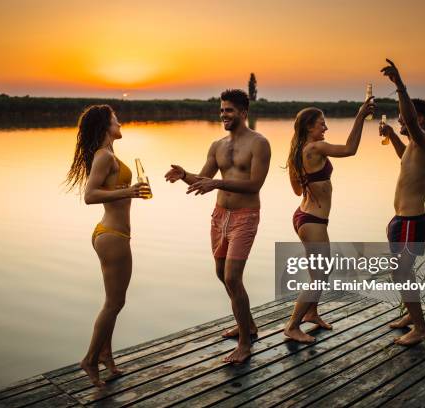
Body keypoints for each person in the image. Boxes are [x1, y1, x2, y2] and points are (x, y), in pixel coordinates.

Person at [164, 89, 271, 364]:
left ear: (243, 113)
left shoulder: (259, 143)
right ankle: (247, 323)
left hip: (245, 215)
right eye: (222, 110)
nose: (223, 114)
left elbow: (255, 184)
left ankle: (245, 343)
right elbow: (204, 180)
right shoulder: (217, 145)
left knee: (233, 276)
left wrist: (218, 183)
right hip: (219, 215)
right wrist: (185, 175)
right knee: (221, 274)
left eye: (229, 110)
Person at [64, 105, 150, 387]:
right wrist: (130, 191)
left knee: (115, 301)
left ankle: (106, 357)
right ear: (105, 127)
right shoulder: (103, 156)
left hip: (113, 234)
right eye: (116, 120)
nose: (120, 123)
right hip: (112, 235)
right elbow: (89, 196)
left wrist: (128, 190)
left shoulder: (110, 155)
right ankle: (89, 359)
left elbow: (108, 189)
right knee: (115, 302)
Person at [283, 98, 375, 343]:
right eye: (322, 125)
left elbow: (295, 190)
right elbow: (350, 149)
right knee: (320, 275)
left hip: (305, 216)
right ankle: (292, 326)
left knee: (321, 270)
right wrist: (360, 116)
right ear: (309, 128)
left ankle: (311, 313)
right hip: (312, 220)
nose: (325, 129)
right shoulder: (314, 148)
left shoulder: (297, 151)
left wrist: (312, 181)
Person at [379, 58, 425, 346]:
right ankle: (412, 316)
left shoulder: (423, 139)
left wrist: (400, 86)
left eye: (405, 118)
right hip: (402, 219)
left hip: (413, 220)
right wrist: (391, 135)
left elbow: (410, 119)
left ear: (420, 119)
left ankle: (421, 328)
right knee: (402, 270)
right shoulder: (414, 146)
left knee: (401, 271)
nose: (400, 119)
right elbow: (404, 159)